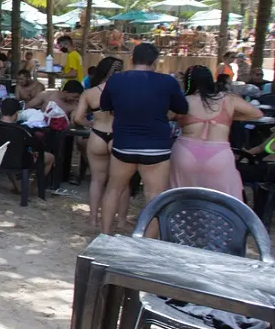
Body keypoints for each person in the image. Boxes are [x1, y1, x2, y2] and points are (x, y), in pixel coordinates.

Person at [98, 43, 189, 234]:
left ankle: (105, 235)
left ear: (132, 59)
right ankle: (145, 242)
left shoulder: (116, 80)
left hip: (123, 144)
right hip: (156, 147)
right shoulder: (168, 82)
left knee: (113, 189)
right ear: (156, 61)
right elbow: (183, 108)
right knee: (155, 196)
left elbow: (105, 105)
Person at [170, 65, 261, 200]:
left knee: (182, 197)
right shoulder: (227, 98)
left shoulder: (184, 100)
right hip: (218, 153)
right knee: (223, 200)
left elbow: (166, 116)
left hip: (185, 151)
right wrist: (229, 117)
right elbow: (257, 114)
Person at [72, 57, 128, 229]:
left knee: (96, 180)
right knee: (122, 182)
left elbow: (78, 118)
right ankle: (121, 221)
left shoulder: (89, 93)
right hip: (119, 135)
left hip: (97, 134)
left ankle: (93, 219)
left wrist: (90, 124)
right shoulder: (126, 90)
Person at [0, 97, 55, 182]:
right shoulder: (23, 130)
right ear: (17, 113)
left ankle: (18, 187)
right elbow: (36, 146)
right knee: (50, 158)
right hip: (19, 162)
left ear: (0, 110)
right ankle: (33, 186)